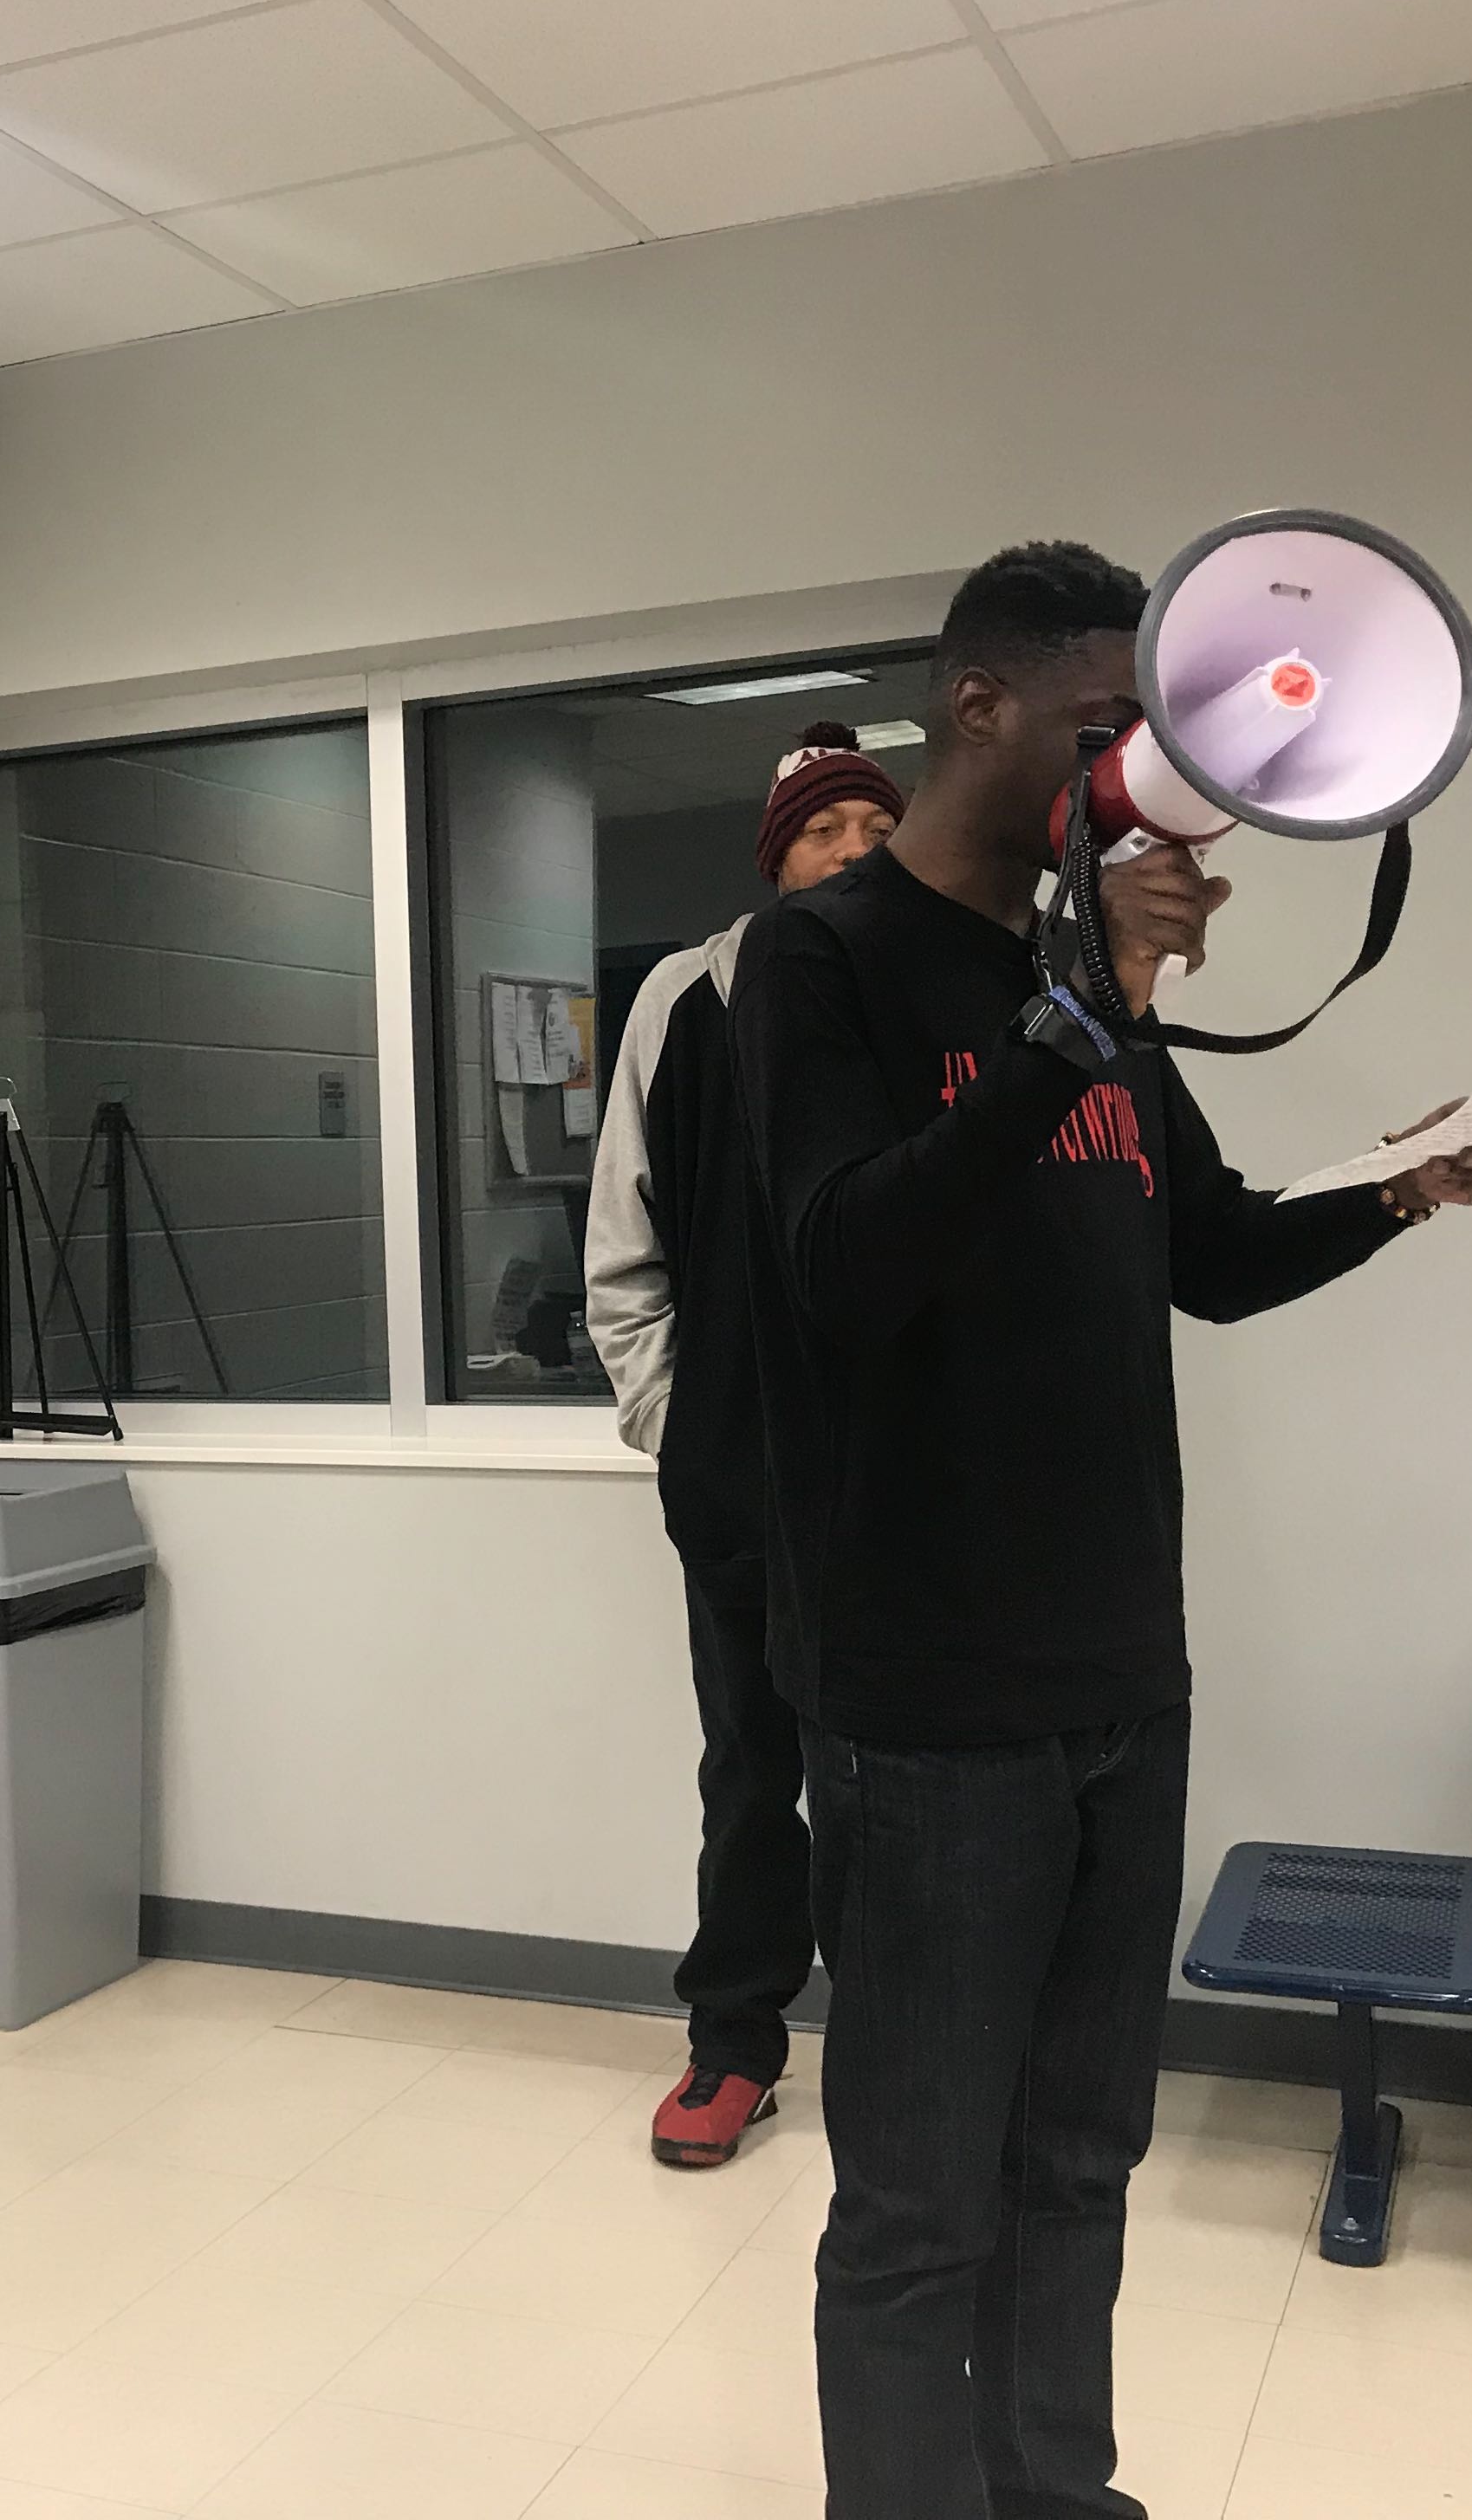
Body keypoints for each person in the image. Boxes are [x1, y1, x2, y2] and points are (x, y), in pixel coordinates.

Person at [727, 541, 1472, 2517]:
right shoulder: (823, 960)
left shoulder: (1065, 987)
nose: (1152, 772)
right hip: (930, 1703)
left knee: (1084, 2160)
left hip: (1120, 1675)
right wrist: (1083, 1010)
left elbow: (1209, 1255)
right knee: (922, 2201)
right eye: (1116, 728)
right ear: (979, 707)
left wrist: (1411, 1183)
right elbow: (843, 1265)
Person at [587, 719, 903, 2166]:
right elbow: (623, 1248)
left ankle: (911, 2055)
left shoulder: (938, 995)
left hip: (912, 1491)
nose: (854, 851)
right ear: (777, 860)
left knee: (911, 1786)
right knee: (751, 1774)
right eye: (825, 833)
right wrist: (677, 1423)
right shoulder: (683, 1000)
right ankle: (734, 2044)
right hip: (738, 1486)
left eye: (873, 830)